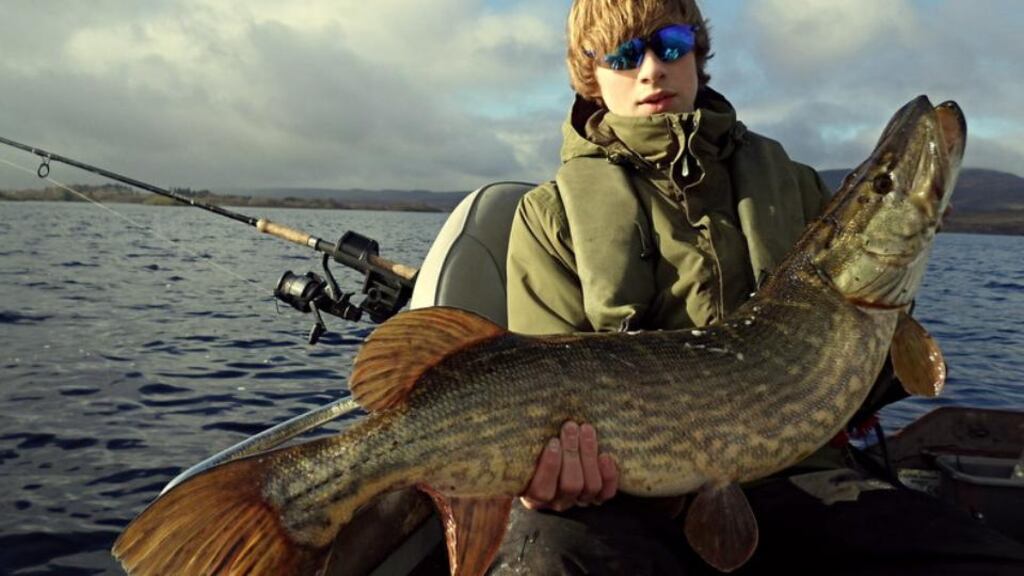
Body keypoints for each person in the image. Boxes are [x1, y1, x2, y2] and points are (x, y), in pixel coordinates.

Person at [486, 0, 1024, 574]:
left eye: (669, 45)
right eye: (622, 54)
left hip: (800, 479)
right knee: (547, 553)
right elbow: (540, 387)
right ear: (589, 73)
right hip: (624, 499)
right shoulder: (550, 217)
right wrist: (548, 473)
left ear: (697, 52)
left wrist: (887, 320)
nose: (650, 70)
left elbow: (865, 385)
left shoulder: (791, 183)